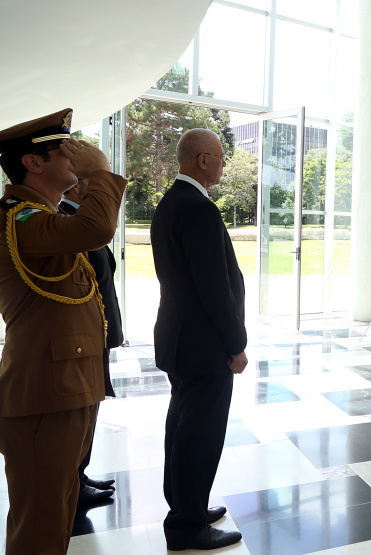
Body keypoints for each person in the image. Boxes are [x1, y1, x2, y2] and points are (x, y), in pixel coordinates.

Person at [0, 109, 127, 555]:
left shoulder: (44, 216)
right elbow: (96, 228)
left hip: (67, 388)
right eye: (64, 150)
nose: (75, 156)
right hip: (44, 395)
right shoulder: (19, 219)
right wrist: (100, 172)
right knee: (39, 525)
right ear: (33, 163)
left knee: (56, 516)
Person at [151, 129, 247, 551]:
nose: (226, 165)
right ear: (203, 160)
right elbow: (215, 288)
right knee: (200, 434)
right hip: (204, 344)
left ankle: (187, 506)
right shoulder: (198, 210)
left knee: (183, 427)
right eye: (222, 158)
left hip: (179, 338)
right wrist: (236, 343)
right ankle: (187, 525)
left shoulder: (170, 203)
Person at [60, 177, 124, 505]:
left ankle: (79, 477)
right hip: (87, 336)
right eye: (90, 181)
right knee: (83, 411)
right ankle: (74, 483)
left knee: (91, 411)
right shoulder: (70, 222)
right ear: (74, 187)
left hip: (96, 334)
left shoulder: (80, 221)